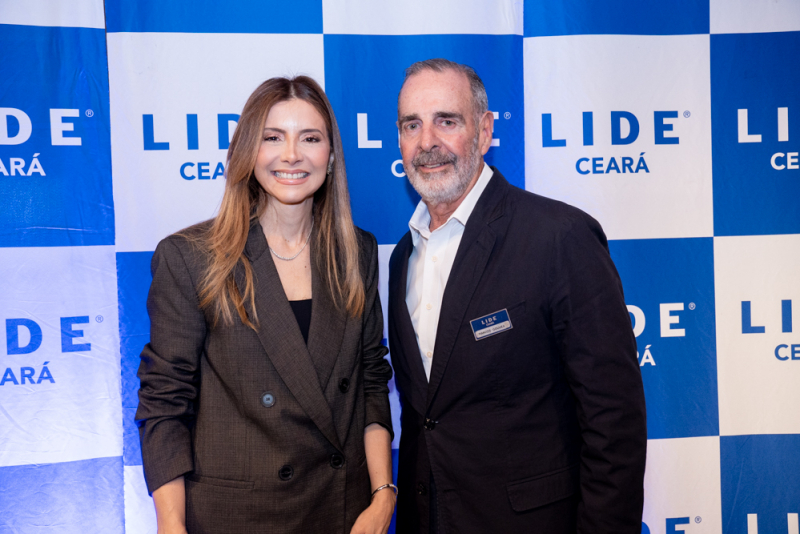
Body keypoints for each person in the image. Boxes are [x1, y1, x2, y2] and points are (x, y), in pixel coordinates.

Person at [388, 59, 647, 533]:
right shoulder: (401, 257)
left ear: (484, 132)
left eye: (447, 121)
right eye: (412, 125)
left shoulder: (559, 237)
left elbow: (614, 421)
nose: (427, 143)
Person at [136, 76, 396, 534]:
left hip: (344, 511)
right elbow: (164, 404)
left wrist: (382, 497)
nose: (291, 155)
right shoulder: (192, 256)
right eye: (272, 138)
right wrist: (170, 526)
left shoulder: (358, 251)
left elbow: (371, 380)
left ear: (331, 155)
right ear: (247, 152)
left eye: (310, 138)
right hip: (236, 516)